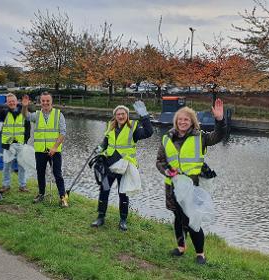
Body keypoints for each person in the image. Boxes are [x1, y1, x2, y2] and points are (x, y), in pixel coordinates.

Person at [156, 98, 226, 265]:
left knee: (192, 219)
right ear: (176, 122)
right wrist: (166, 170)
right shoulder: (167, 138)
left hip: (192, 186)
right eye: (180, 120)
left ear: (192, 121)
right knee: (178, 217)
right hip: (173, 185)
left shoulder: (200, 137)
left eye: (186, 119)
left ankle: (200, 254)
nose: (182, 122)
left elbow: (218, 136)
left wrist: (220, 120)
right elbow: (160, 161)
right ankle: (181, 247)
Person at [91, 101, 153, 231]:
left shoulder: (133, 128)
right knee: (104, 190)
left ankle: (123, 220)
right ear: (115, 116)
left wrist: (145, 116)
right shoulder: (111, 127)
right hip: (109, 165)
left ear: (127, 115)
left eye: (123, 113)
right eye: (118, 114)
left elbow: (149, 132)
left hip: (125, 167)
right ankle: (100, 217)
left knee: (123, 193)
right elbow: (106, 142)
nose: (121, 116)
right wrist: (99, 148)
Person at [22, 92, 68, 207]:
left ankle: (62, 197)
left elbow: (62, 133)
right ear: (40, 102)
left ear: (51, 101)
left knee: (58, 174)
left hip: (55, 151)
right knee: (40, 173)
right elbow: (26, 116)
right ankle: (41, 194)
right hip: (40, 151)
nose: (45, 103)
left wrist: (54, 147)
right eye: (43, 101)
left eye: (48, 101)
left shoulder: (58, 114)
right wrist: (24, 106)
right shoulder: (36, 115)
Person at [0, 93, 31, 193]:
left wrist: (26, 140)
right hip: (8, 144)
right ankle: (6, 185)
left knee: (22, 165)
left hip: (20, 143)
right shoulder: (4, 113)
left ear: (16, 101)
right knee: (6, 166)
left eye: (13, 101)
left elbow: (28, 127)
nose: (11, 103)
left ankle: (22, 186)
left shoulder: (24, 113)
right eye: (9, 101)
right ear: (7, 103)